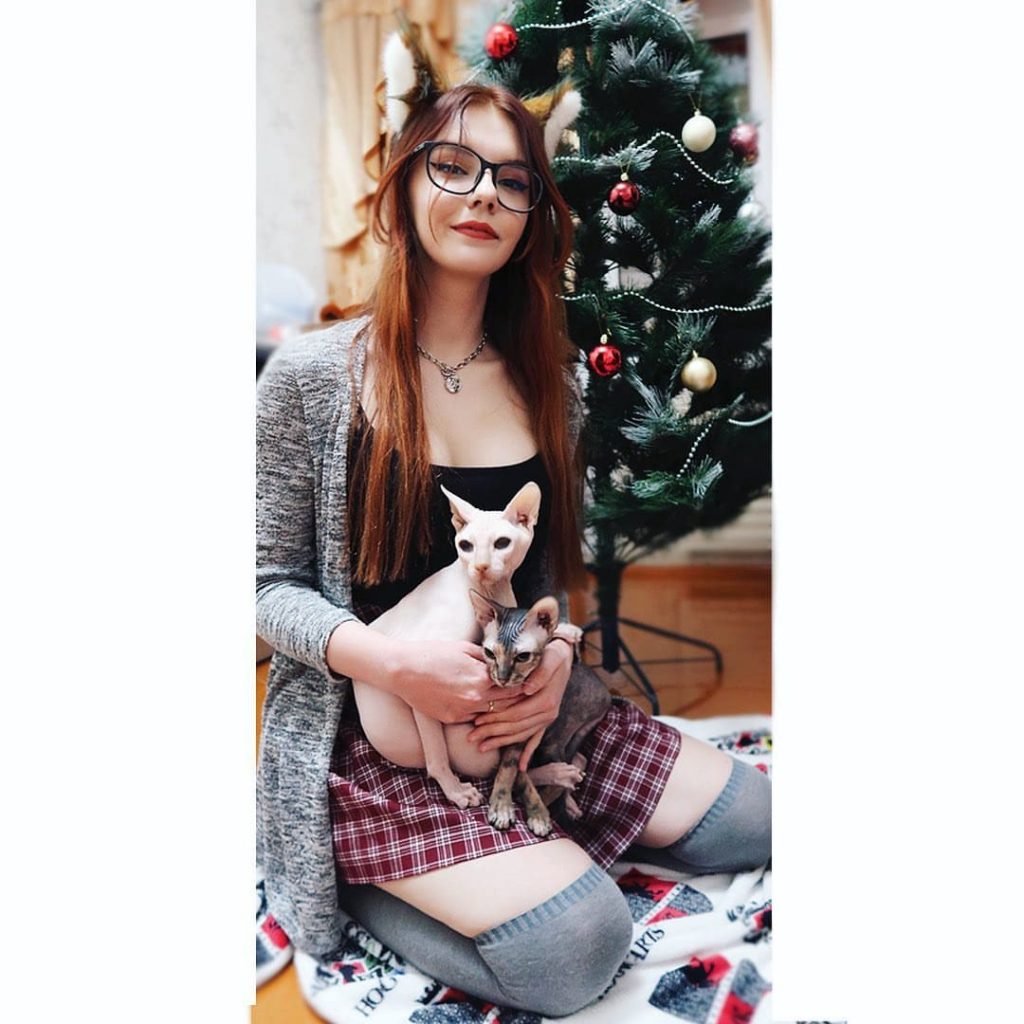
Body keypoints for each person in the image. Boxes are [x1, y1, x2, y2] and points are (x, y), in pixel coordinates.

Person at [255, 77, 771, 1018]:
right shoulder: (310, 377)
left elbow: (543, 580)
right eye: (453, 166)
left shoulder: (552, 380)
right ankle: (357, 873)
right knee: (576, 946)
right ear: (404, 183)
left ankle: (530, 847)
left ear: (534, 213)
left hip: (521, 706)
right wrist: (395, 666)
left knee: (759, 819)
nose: (484, 194)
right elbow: (264, 585)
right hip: (374, 733)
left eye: (513, 178)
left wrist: (559, 652)